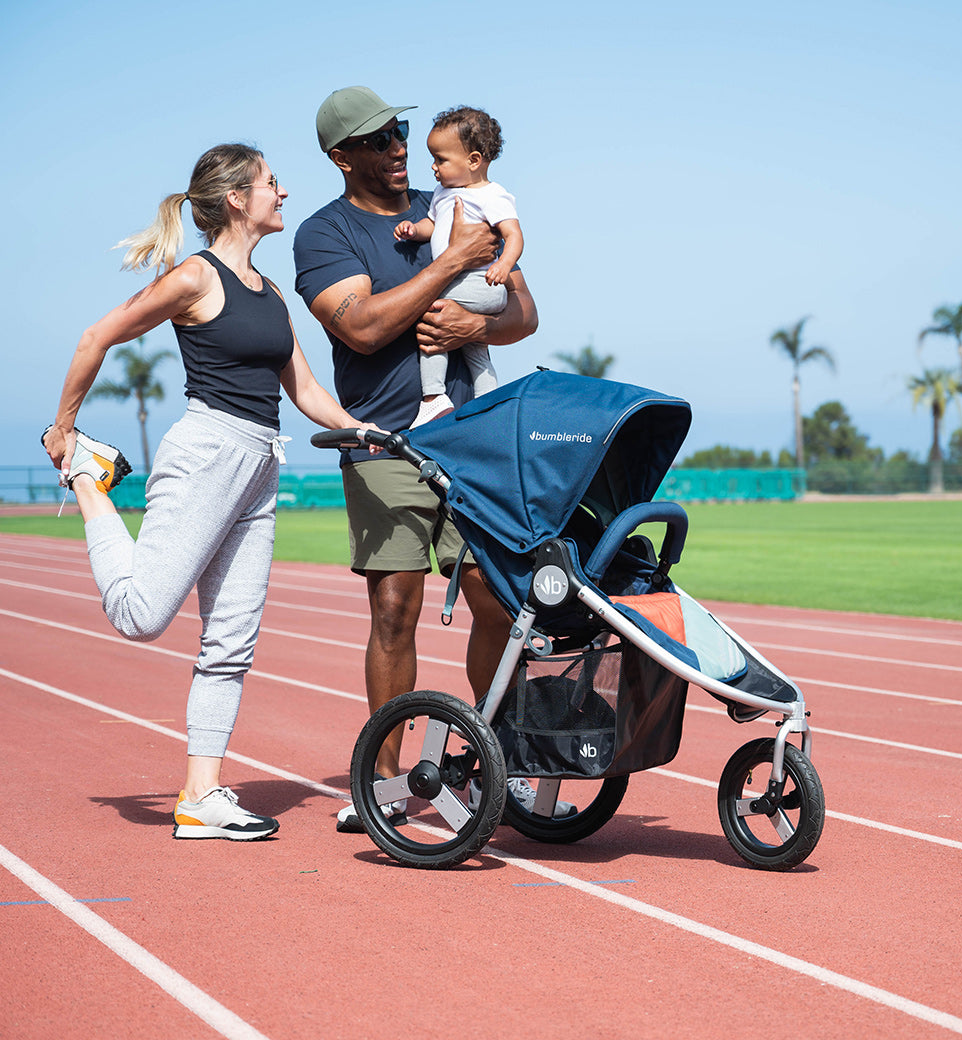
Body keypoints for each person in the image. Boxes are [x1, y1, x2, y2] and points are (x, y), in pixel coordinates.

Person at [42, 143, 378, 841]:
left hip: (259, 462)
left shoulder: (271, 292)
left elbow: (307, 390)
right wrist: (64, 429)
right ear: (236, 199)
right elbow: (97, 335)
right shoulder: (195, 277)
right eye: (271, 183)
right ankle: (88, 481)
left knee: (231, 642)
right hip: (205, 453)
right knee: (141, 616)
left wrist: (359, 427)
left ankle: (201, 797)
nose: (282, 193)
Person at [293, 86, 571, 830]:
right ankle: (382, 784)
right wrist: (446, 270)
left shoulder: (455, 193)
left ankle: (497, 766)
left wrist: (466, 325)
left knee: (496, 600)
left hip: (472, 439)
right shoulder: (325, 236)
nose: (398, 148)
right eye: (378, 139)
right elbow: (363, 328)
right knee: (394, 607)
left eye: (402, 133)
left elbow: (524, 313)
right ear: (339, 156)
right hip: (384, 440)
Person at [394, 106, 523, 427]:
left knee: (431, 317)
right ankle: (489, 403)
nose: (434, 167)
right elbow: (431, 225)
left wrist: (505, 264)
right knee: (476, 352)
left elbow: (514, 235)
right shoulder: (443, 193)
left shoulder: (492, 196)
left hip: (480, 282)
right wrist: (414, 230)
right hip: (473, 288)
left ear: (474, 161)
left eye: (441, 159)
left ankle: (433, 397)